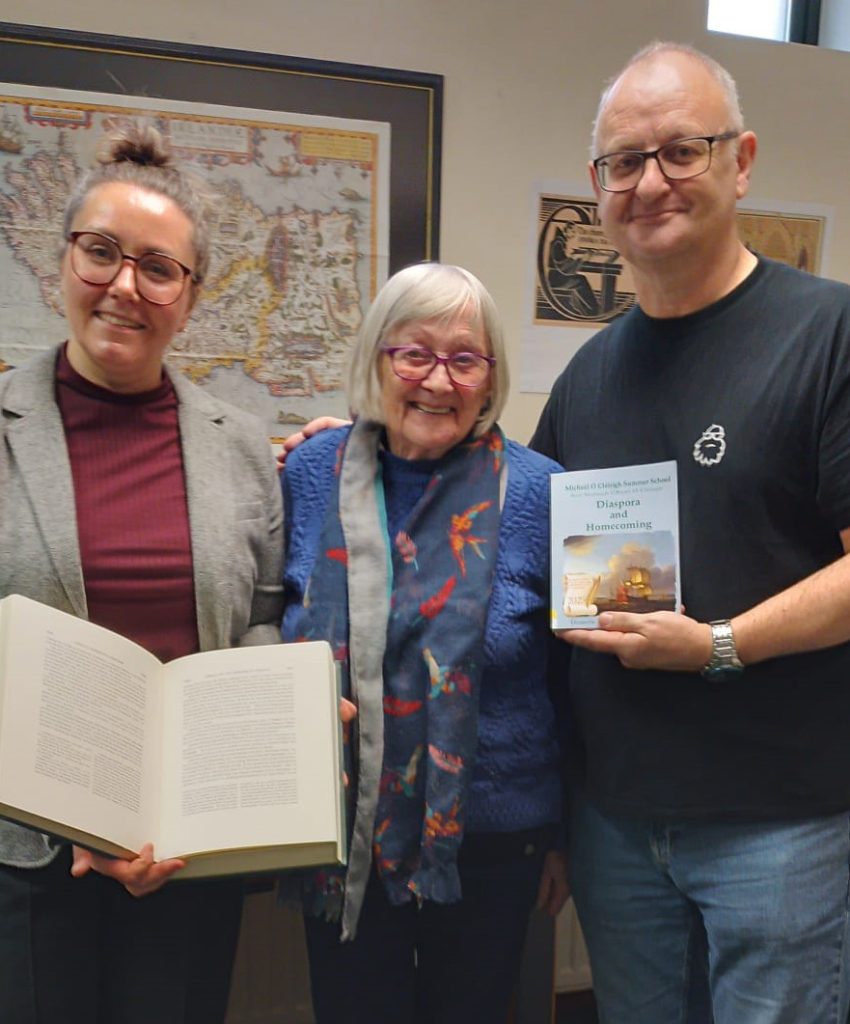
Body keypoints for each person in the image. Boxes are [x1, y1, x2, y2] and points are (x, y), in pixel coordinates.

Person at [530, 41, 850, 1024]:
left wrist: (718, 645)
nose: (650, 181)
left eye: (681, 150)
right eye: (624, 162)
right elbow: (514, 539)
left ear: (740, 160)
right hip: (616, 821)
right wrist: (361, 441)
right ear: (597, 187)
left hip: (780, 824)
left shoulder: (826, 333)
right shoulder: (587, 377)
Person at [0, 123, 284, 1024]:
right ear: (62, 267)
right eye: (101, 253)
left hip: (187, 852)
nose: (126, 286)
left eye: (158, 268)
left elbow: (263, 614)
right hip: (26, 855)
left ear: (190, 297)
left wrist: (276, 696)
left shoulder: (242, 446)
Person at [281, 262, 569, 1024]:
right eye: (413, 353)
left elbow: (577, 680)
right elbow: (264, 612)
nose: (438, 381)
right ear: (377, 357)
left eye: (464, 358)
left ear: (490, 377)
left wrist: (568, 837)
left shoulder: (542, 493)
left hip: (495, 837)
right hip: (338, 828)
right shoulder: (312, 470)